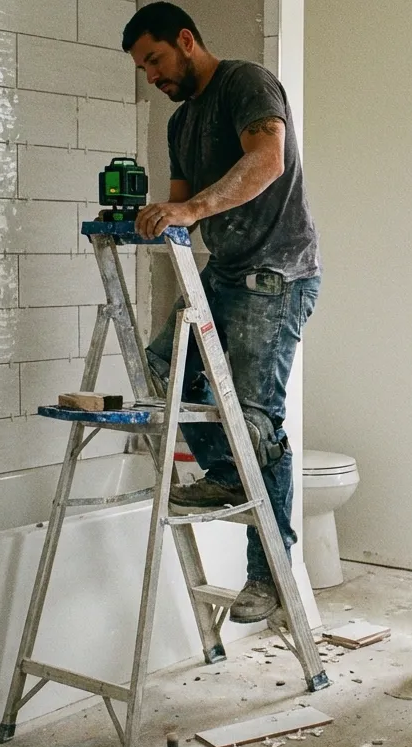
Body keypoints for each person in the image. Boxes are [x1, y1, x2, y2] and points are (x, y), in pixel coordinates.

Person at [123, 2, 320, 623]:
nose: (151, 75)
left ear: (186, 40)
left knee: (259, 425)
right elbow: (179, 205)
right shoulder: (181, 124)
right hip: (223, 273)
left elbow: (267, 161)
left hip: (277, 272)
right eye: (141, 68)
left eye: (154, 59)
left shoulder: (247, 83)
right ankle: (226, 472)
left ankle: (270, 574)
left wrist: (187, 212)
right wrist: (147, 217)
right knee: (160, 370)